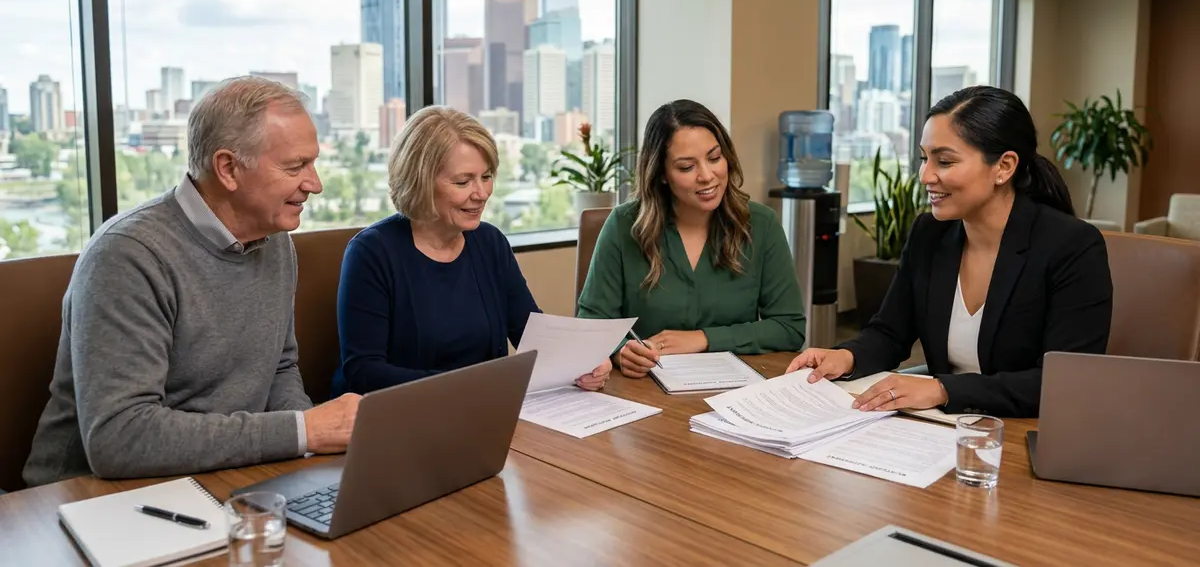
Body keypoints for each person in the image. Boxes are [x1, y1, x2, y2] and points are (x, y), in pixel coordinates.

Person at [23, 76, 361, 488]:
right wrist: (305, 431)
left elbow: (278, 367)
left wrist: (307, 457)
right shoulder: (128, 255)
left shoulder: (273, 240)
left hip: (222, 477)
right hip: (87, 499)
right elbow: (119, 438)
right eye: (296, 166)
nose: (315, 183)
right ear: (228, 168)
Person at [786, 86, 1113, 418]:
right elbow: (890, 332)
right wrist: (847, 357)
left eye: (943, 161)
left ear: (1004, 166)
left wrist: (942, 389)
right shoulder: (930, 233)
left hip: (1024, 434)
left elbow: (1061, 383)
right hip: (943, 430)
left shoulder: (1073, 247)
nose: (925, 175)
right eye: (924, 159)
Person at [331, 106, 610, 396]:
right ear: (420, 182)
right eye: (463, 182)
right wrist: (471, 386)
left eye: (486, 176)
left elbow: (532, 333)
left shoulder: (490, 242)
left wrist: (582, 361)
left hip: (484, 407)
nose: (481, 193)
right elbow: (363, 372)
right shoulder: (371, 253)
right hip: (405, 417)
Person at [577, 99, 806, 377]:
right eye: (687, 167)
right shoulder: (624, 226)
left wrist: (703, 338)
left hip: (734, 392)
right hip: (644, 391)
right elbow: (591, 326)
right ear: (661, 174)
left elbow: (789, 328)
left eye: (714, 158)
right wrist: (620, 351)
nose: (707, 176)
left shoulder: (761, 224)